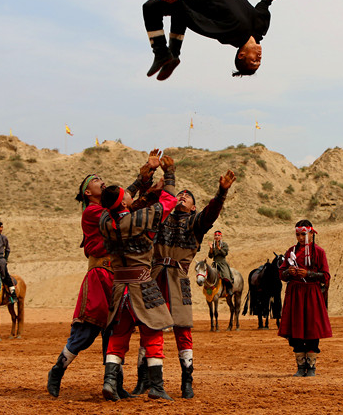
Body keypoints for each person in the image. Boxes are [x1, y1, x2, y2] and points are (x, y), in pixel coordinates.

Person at [47, 151, 160, 399]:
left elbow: (122, 200)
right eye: (95, 179)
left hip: (117, 276)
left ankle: (114, 383)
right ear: (88, 192)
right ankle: (57, 370)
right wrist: (150, 192)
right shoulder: (92, 212)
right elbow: (123, 207)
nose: (101, 180)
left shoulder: (108, 207)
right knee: (86, 332)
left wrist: (147, 173)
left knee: (116, 329)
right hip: (99, 275)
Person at [145, 171, 235, 399]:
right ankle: (146, 380)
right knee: (150, 327)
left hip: (179, 277)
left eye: (188, 196)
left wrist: (222, 192)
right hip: (155, 276)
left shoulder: (196, 222)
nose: (182, 196)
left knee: (182, 329)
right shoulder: (161, 217)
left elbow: (211, 212)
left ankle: (187, 381)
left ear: (194, 207)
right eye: (180, 194)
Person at [98, 155, 178, 402]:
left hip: (119, 286)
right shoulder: (141, 219)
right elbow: (169, 200)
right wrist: (170, 174)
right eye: (127, 194)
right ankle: (156, 386)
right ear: (124, 201)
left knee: (119, 336)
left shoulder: (104, 222)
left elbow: (118, 202)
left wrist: (142, 179)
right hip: (143, 285)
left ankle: (110, 381)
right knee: (153, 335)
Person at [142, 0, 285, 81]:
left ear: (242, 55)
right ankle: (173, 55)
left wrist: (178, 3)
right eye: (259, 61)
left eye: (254, 61)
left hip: (195, 2)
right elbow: (261, 9)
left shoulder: (231, 33)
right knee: (181, 14)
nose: (259, 58)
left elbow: (199, 23)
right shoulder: (260, 30)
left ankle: (161, 53)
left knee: (150, 7)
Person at [278, 220, 332, 378]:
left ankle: (312, 367)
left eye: (303, 234)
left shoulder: (319, 252)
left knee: (311, 329)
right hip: (295, 294)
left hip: (312, 293)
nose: (300, 238)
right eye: (298, 235)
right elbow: (281, 274)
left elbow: (326, 276)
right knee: (296, 330)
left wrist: (308, 274)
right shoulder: (290, 251)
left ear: (311, 233)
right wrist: (289, 272)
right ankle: (300, 367)